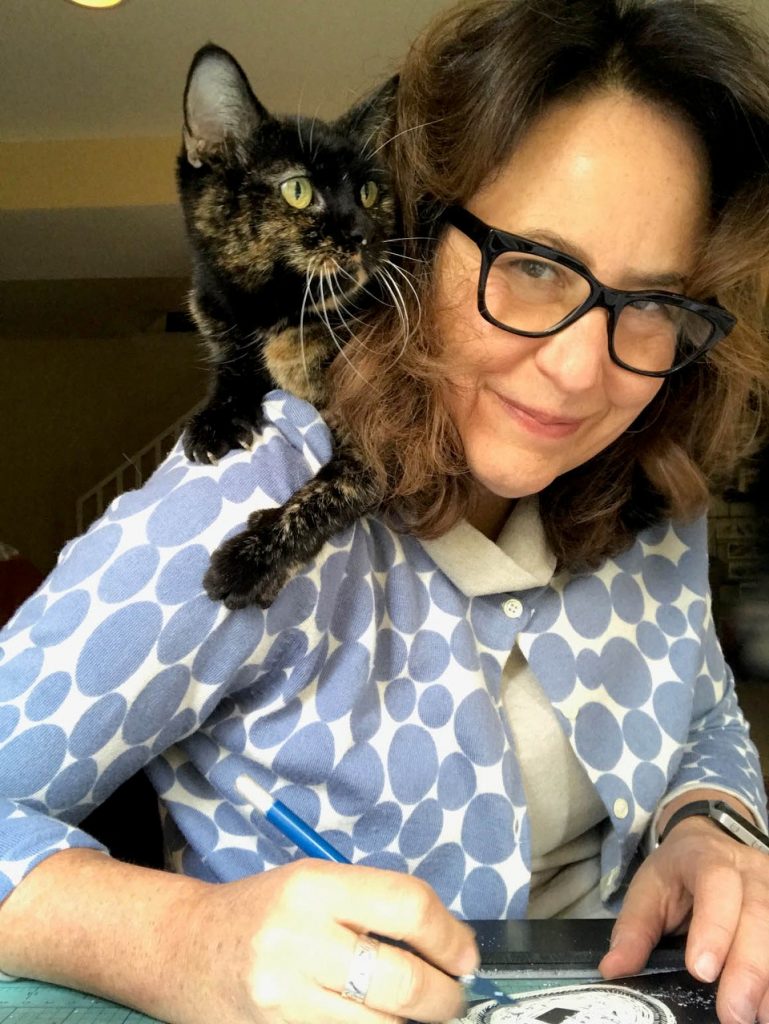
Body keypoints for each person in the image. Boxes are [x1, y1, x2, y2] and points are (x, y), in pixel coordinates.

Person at [2, 2, 769, 1024]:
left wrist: (708, 821)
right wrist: (179, 939)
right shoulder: (248, 497)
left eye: (657, 302)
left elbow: (704, 711)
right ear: (413, 231)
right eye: (533, 265)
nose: (584, 371)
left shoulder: (651, 483)